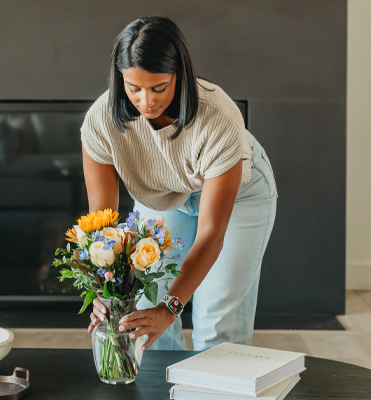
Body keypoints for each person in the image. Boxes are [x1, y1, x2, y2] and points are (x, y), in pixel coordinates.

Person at [81, 16, 277, 351]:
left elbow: (211, 234)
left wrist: (171, 308)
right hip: (162, 196)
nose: (146, 102)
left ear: (180, 74)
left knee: (218, 325)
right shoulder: (101, 121)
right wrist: (103, 292)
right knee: (144, 314)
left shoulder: (219, 118)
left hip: (239, 198)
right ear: (120, 80)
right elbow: (102, 225)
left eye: (158, 88)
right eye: (134, 88)